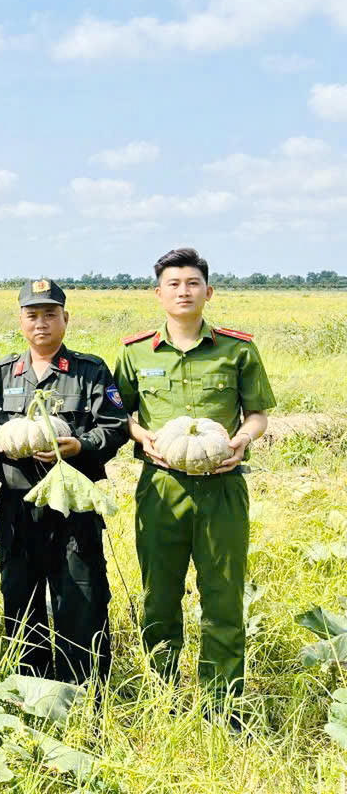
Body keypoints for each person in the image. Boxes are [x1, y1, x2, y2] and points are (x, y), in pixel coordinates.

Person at [113, 247, 274, 702]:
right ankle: (161, 694)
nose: (183, 291)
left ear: (209, 291)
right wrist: (141, 436)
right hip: (161, 489)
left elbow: (257, 414)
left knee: (223, 595)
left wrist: (242, 439)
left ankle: (221, 701)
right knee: (159, 595)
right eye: (173, 284)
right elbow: (119, 413)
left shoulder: (237, 349)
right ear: (158, 293)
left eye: (192, 283)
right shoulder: (135, 352)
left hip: (222, 488)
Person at [0, 279, 128, 682]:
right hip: (19, 504)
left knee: (81, 595)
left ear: (66, 318)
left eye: (50, 314)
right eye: (32, 315)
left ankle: (84, 690)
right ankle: (29, 689)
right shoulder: (1, 374)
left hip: (73, 504)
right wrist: (3, 441)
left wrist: (79, 446)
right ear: (21, 321)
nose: (41, 323)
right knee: (20, 597)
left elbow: (114, 427)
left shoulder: (89, 371)